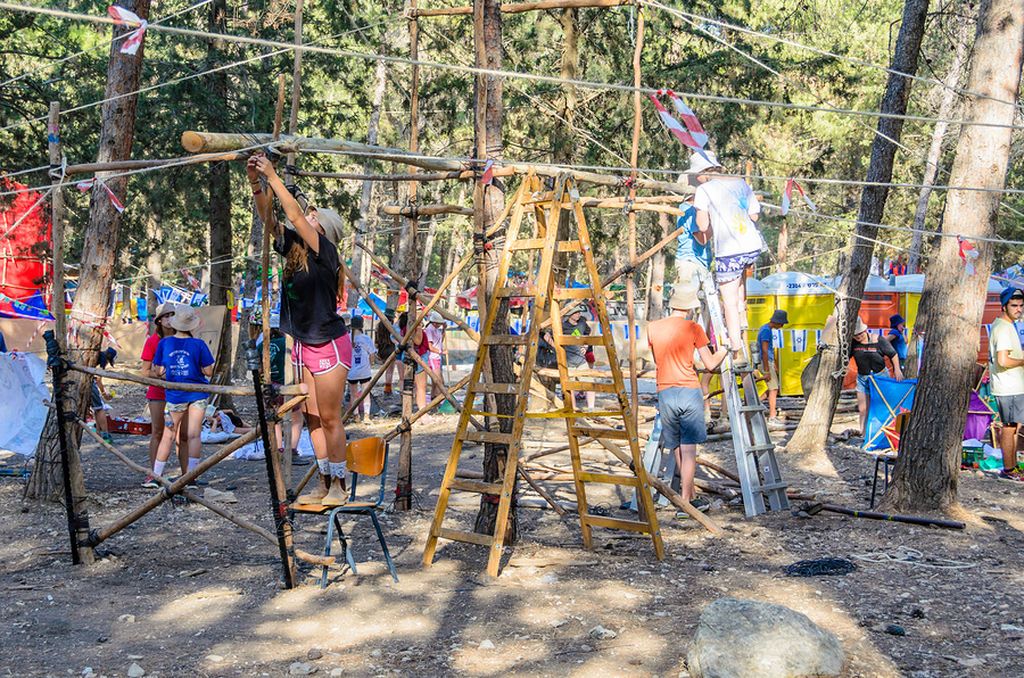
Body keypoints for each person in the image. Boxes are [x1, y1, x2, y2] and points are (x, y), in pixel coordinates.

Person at [251, 153, 352, 507]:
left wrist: (274, 176)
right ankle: (324, 482)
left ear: (322, 229)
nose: (306, 217)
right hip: (304, 343)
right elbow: (271, 220)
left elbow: (292, 213)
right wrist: (256, 183)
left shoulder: (326, 252)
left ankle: (340, 483)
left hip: (328, 342)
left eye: (313, 217)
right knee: (309, 417)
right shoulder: (296, 251)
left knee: (329, 416)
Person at [647, 287, 728, 514]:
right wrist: (725, 350)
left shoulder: (653, 328)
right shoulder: (694, 328)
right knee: (689, 447)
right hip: (688, 390)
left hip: (665, 390)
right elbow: (711, 364)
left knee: (675, 445)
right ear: (690, 308)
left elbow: (657, 360)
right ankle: (686, 501)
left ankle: (690, 495)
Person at [689, 151, 765, 364]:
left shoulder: (703, 190)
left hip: (729, 250)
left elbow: (703, 226)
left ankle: (736, 348)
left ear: (703, 173)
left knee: (728, 301)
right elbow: (754, 215)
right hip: (751, 245)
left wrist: (709, 220)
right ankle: (743, 318)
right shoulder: (740, 182)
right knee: (739, 284)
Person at [152, 306, 214, 485]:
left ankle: (156, 475)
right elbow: (208, 371)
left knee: (168, 434)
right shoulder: (199, 344)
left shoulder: (165, 343)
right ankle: (191, 476)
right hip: (197, 393)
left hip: (175, 395)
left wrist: (171, 372)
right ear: (192, 326)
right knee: (194, 434)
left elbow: (158, 371)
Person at [252, 309, 306, 465]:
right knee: (296, 418)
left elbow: (259, 369)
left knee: (274, 419)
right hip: (286, 385)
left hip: (269, 386)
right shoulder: (289, 344)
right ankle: (292, 449)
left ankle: (278, 449)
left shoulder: (262, 345)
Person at [140, 302, 179, 488]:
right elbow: (145, 371)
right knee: (157, 431)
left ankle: (188, 474)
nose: (170, 319)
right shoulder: (152, 341)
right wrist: (161, 374)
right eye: (166, 316)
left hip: (180, 393)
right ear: (159, 321)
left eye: (173, 315)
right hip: (158, 392)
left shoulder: (184, 338)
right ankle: (154, 474)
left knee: (181, 434)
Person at [989, 287, 1024, 481]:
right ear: (1004, 307)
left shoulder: (1009, 325)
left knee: (1014, 427)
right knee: (1009, 428)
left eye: (1021, 305)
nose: (1018, 309)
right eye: (1014, 305)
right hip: (1008, 385)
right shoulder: (1002, 327)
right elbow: (1003, 360)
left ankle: (1013, 467)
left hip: (1014, 385)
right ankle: (1009, 470)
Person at [850, 317, 903, 437]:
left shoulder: (879, 340)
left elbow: (893, 354)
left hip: (880, 377)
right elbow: (845, 358)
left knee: (884, 406)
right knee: (863, 409)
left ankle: (886, 433)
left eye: (860, 334)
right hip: (863, 378)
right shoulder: (853, 344)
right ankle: (863, 435)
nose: (858, 337)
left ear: (865, 330)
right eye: (855, 335)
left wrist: (897, 369)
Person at [540, 304, 595, 410]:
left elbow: (588, 333)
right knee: (570, 387)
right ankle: (572, 409)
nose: (578, 314)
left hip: (581, 361)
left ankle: (591, 408)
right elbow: (547, 336)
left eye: (579, 312)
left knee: (590, 384)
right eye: (576, 312)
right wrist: (556, 346)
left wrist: (586, 345)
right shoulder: (561, 326)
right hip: (568, 362)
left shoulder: (582, 322)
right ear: (569, 314)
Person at [756, 309, 788, 426]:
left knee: (771, 388)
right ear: (778, 322)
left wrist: (774, 363)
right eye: (782, 323)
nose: (783, 325)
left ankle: (756, 403)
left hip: (768, 362)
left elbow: (768, 350)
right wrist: (767, 370)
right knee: (773, 389)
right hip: (765, 363)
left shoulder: (765, 328)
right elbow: (764, 351)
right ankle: (772, 417)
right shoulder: (766, 331)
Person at [397, 310, 430, 412]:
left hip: (411, 355)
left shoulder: (404, 328)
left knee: (412, 385)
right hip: (418, 355)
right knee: (421, 386)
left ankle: (411, 408)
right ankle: (422, 411)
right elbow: (418, 341)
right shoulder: (411, 328)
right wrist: (419, 327)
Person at [347, 314, 376, 421]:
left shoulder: (347, 338)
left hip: (352, 371)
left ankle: (356, 415)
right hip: (364, 370)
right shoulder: (366, 338)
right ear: (362, 325)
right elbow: (372, 354)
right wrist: (370, 363)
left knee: (353, 395)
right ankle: (367, 416)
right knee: (365, 394)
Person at [91, 347, 117, 445]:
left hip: (86, 381)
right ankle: (106, 435)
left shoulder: (98, 355)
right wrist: (104, 393)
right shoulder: (102, 359)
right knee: (100, 408)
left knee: (96, 408)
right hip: (89, 383)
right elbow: (98, 379)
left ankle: (98, 433)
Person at [425, 311, 446, 400]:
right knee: (438, 381)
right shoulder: (429, 330)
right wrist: (441, 352)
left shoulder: (436, 329)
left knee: (435, 381)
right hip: (432, 357)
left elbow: (440, 340)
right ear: (434, 322)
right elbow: (430, 346)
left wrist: (444, 330)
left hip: (437, 357)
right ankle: (437, 399)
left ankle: (433, 398)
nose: (440, 325)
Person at [375, 308, 397, 394]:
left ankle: (387, 387)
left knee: (385, 369)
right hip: (391, 348)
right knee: (390, 370)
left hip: (382, 349)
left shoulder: (379, 326)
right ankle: (388, 388)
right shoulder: (392, 326)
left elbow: (376, 341)